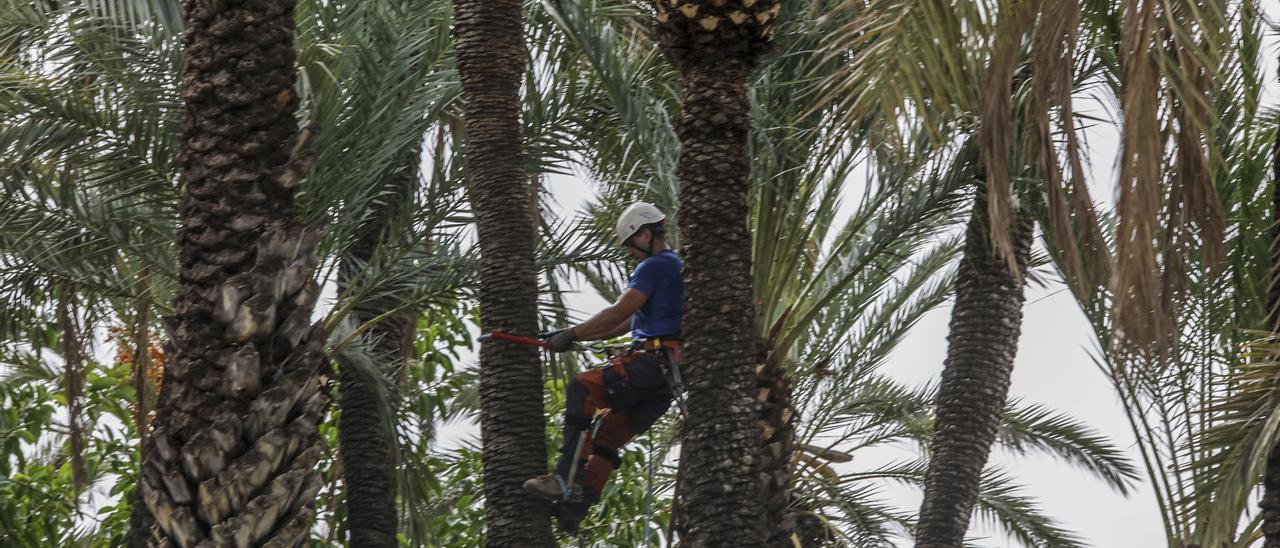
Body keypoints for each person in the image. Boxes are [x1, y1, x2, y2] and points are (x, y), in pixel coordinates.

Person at [523, 202, 683, 533]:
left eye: (630, 246)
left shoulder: (656, 265)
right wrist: (570, 337)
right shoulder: (673, 267)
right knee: (605, 434)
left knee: (582, 388)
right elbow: (623, 323)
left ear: (645, 234)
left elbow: (617, 311)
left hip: (652, 364)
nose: (630, 254)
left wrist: (571, 334)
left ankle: (564, 479)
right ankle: (577, 506)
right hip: (666, 381)